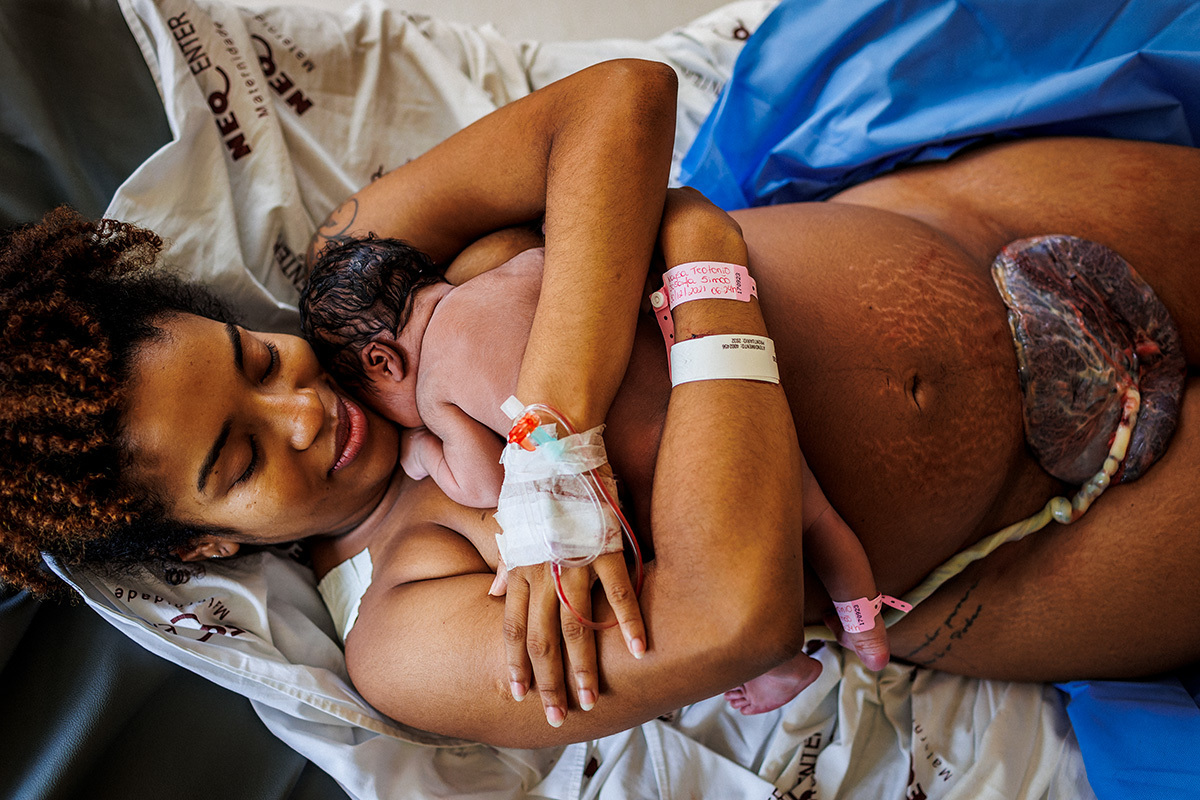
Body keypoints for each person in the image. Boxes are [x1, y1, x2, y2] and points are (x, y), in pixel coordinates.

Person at [2, 60, 1199, 749]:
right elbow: (733, 615)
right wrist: (691, 247)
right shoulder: (407, 631)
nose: (302, 408)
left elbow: (618, 101)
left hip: (992, 227)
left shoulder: (360, 282)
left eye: (253, 362)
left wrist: (555, 440)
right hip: (1032, 539)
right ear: (205, 540)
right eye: (238, 455)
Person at [297, 190, 895, 715]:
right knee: (817, 517)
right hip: (731, 402)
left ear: (383, 362)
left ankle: (793, 664)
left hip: (682, 474)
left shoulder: (433, 390)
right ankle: (862, 617)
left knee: (671, 563)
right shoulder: (527, 268)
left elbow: (481, 483)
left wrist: (424, 452)